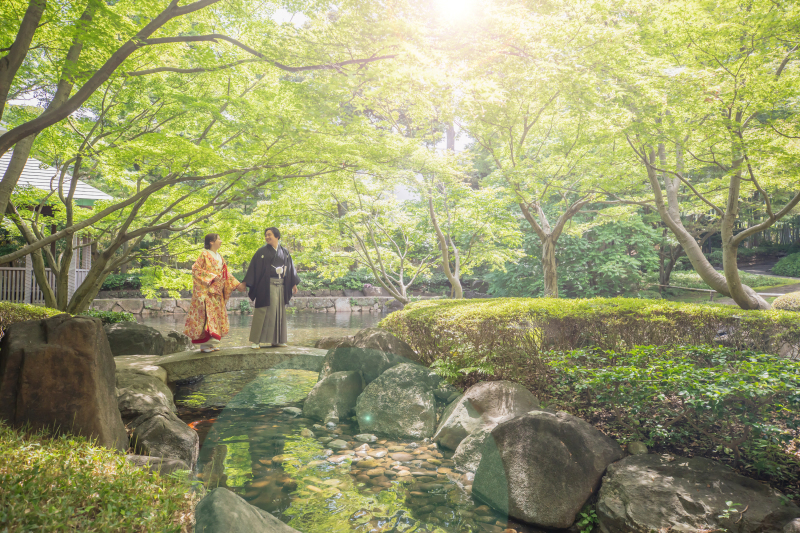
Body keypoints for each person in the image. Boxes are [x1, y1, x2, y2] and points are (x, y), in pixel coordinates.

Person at [184, 233, 245, 353]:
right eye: (219, 239)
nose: (221, 241)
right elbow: (196, 269)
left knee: (216, 317)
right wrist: (211, 277)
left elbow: (226, 274)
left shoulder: (220, 257)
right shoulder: (204, 254)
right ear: (211, 242)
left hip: (217, 292)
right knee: (208, 317)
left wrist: (237, 285)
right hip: (207, 292)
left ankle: (212, 343)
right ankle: (205, 345)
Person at [243, 226, 300, 349]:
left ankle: (277, 340)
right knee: (262, 311)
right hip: (265, 285)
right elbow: (253, 268)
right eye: (266, 235)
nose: (267, 237)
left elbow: (290, 269)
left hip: (281, 286)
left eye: (269, 234)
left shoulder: (285, 252)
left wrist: (293, 284)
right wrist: (245, 282)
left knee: (278, 312)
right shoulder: (261, 252)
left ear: (277, 236)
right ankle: (256, 340)